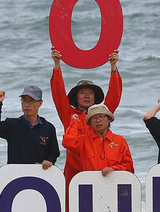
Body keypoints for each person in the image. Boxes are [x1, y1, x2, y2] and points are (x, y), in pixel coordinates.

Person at [50, 48, 122, 183]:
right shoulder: (69, 115)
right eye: (82, 92)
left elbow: (114, 96)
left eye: (90, 92)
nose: (87, 95)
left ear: (95, 97)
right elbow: (58, 93)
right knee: (70, 204)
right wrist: (57, 65)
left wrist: (113, 68)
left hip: (97, 170)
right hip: (73, 172)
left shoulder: (101, 115)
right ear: (76, 97)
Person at [0, 85, 60, 168]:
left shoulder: (48, 128)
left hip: (40, 176)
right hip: (16, 176)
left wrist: (49, 161)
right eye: (24, 100)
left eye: (31, 101)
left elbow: (54, 153)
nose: (26, 105)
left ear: (40, 103)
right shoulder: (12, 125)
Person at [62, 104, 133, 175]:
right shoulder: (83, 140)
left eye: (102, 116)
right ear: (90, 123)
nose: (98, 120)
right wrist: (74, 123)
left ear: (109, 120)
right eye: (94, 118)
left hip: (113, 183)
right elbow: (68, 143)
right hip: (89, 183)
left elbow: (129, 167)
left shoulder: (120, 140)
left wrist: (113, 169)